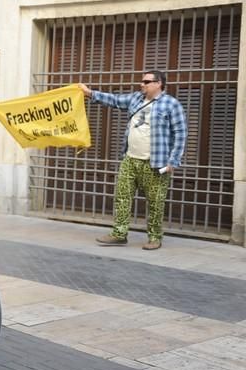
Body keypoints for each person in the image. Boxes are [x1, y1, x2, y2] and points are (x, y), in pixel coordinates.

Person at [78, 70, 187, 250]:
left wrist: (172, 162)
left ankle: (154, 237)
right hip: (130, 159)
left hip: (155, 162)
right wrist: (89, 92)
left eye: (146, 81)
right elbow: (114, 100)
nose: (141, 84)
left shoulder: (171, 104)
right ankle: (119, 234)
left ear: (158, 83)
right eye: (142, 81)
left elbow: (180, 134)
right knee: (122, 196)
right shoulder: (136, 99)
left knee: (155, 202)